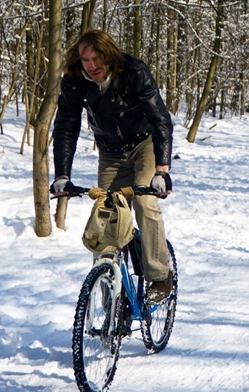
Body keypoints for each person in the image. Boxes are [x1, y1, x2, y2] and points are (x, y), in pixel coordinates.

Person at [50, 29, 174, 302]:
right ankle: (110, 297)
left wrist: (162, 170)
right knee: (106, 214)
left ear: (110, 56)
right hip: (110, 152)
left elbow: (160, 118)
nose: (92, 66)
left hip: (145, 144)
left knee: (144, 202)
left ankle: (159, 276)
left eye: (98, 59)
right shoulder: (74, 80)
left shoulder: (133, 71)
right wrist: (62, 174)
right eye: (86, 60)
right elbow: (65, 126)